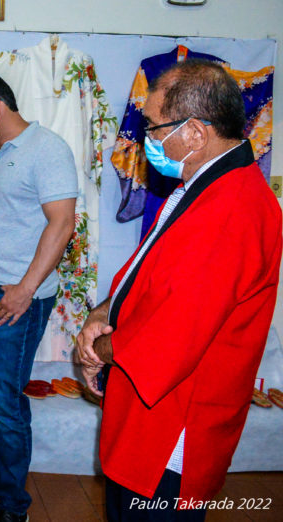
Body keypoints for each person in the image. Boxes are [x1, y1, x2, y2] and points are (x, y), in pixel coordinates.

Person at [76, 60, 282, 522]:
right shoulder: (202, 186)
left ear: (193, 133)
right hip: (152, 407)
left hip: (172, 425)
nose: (145, 136)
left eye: (152, 125)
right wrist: (102, 313)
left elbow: (173, 336)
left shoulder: (234, 208)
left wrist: (98, 352)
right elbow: (149, 271)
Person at [0, 72, 77, 522]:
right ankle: (0, 477)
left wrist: (25, 290)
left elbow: (62, 224)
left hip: (17, 298)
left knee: (5, 397)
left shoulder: (47, 149)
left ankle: (13, 505)